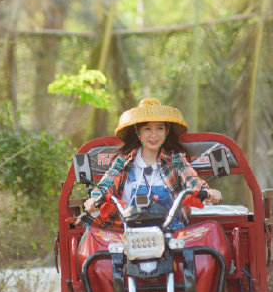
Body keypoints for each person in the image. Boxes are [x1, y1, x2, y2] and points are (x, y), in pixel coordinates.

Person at [82, 97, 223, 229]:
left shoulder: (176, 160)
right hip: (128, 233)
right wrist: (95, 199)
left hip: (171, 235)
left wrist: (207, 192)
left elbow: (191, 179)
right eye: (147, 128)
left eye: (159, 128)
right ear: (138, 132)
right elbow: (107, 183)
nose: (154, 135)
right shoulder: (124, 161)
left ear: (166, 131)